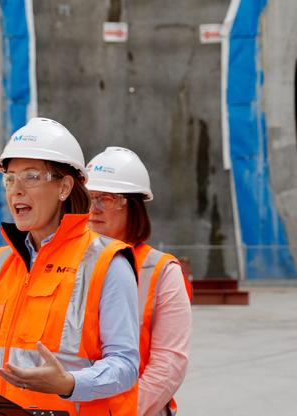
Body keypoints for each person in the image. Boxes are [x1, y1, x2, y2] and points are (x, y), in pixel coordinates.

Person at [0, 117, 140, 415]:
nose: (16, 190)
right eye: (9, 178)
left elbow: (125, 365)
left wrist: (68, 383)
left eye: (32, 176)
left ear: (64, 188)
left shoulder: (107, 262)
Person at [86, 147, 192, 416]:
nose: (93, 209)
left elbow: (169, 363)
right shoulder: (69, 263)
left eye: (106, 199)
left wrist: (123, 412)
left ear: (132, 205)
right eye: (88, 198)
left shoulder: (160, 270)